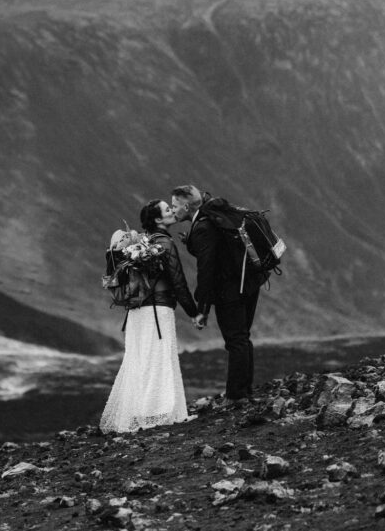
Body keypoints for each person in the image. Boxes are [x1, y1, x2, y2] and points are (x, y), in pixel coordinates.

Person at [100, 199, 206, 433]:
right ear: (158, 219)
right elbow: (177, 280)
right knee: (160, 356)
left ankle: (141, 412)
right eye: (167, 210)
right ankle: (159, 413)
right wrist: (194, 311)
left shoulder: (140, 244)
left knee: (140, 357)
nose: (172, 211)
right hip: (158, 309)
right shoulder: (164, 243)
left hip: (137, 310)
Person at [171, 184, 263, 406]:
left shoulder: (203, 228)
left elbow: (207, 270)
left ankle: (236, 396)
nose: (173, 210)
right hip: (249, 282)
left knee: (235, 340)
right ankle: (244, 391)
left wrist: (202, 308)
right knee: (242, 337)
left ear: (185, 206)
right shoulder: (214, 218)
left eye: (174, 205)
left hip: (230, 291)